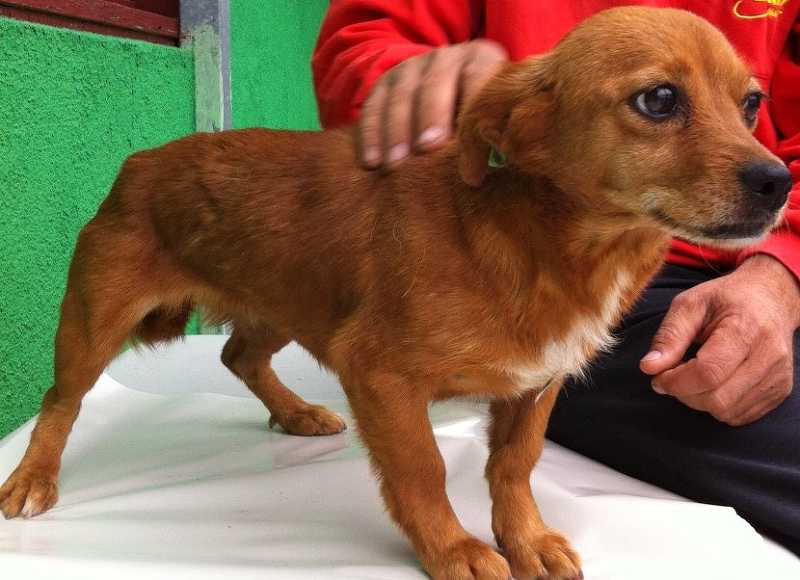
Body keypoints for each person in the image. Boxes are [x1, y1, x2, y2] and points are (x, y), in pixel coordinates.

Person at [311, 0, 800, 555]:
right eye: (660, 102)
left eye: (748, 103)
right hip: (561, 250)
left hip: (751, 268)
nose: (761, 164)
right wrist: (414, 88)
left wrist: (784, 272)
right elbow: (365, 42)